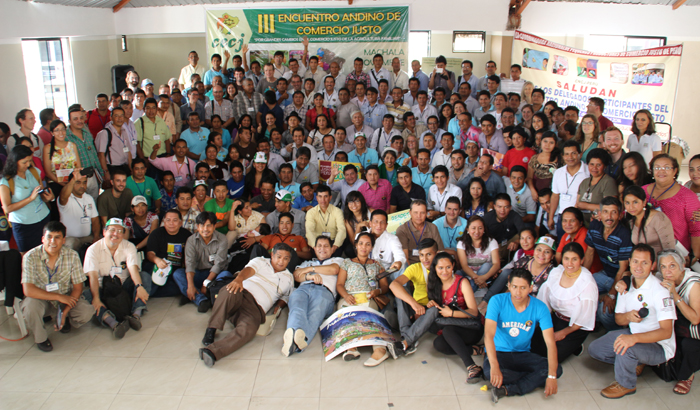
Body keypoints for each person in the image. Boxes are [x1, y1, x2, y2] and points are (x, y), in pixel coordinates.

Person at [589, 244, 676, 399]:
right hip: (634, 334)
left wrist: (633, 339)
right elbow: (618, 319)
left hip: (659, 345)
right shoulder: (625, 286)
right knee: (596, 349)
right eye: (635, 261)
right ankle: (634, 362)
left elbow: (666, 332)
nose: (639, 267)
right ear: (629, 262)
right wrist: (628, 316)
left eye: (644, 262)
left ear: (652, 265)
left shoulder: (660, 291)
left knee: (626, 348)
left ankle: (626, 384)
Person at [199, 243, 294, 367]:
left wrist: (279, 306)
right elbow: (249, 270)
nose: (281, 261)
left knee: (249, 329)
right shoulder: (261, 261)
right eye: (279, 257)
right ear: (272, 255)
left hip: (256, 309)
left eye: (285, 258)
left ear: (289, 260)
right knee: (229, 290)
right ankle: (211, 329)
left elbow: (286, 296)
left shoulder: (289, 278)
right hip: (242, 292)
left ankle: (212, 352)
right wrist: (239, 279)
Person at [483, 268, 562, 403]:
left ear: (530, 288)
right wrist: (495, 366)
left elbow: (550, 343)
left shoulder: (540, 307)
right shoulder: (496, 301)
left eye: (523, 288)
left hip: (522, 354)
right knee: (490, 372)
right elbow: (488, 336)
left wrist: (552, 376)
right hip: (499, 352)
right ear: (508, 285)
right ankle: (533, 378)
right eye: (514, 287)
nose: (518, 292)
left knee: (557, 370)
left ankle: (509, 389)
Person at [20, 221, 93, 351]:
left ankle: (64, 318)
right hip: (42, 299)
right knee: (30, 308)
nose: (52, 241)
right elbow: (28, 290)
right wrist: (58, 297)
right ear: (43, 239)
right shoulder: (30, 257)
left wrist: (64, 312)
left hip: (65, 296)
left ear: (64, 240)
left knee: (86, 312)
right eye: (49, 237)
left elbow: (78, 287)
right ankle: (41, 338)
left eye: (57, 237)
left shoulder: (72, 255)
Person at [84, 218, 151, 338]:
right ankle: (113, 323)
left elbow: (133, 269)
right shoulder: (93, 250)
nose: (116, 234)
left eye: (120, 231)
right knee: (87, 295)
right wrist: (96, 298)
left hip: (124, 286)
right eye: (112, 230)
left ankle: (136, 316)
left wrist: (139, 286)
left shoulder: (129, 246)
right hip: (105, 290)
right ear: (104, 231)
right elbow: (93, 277)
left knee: (144, 277)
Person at [532, 242, 597, 363]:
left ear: (582, 260)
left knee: (551, 357)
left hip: (575, 326)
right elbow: (544, 299)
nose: (569, 263)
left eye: (574, 259)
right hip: (556, 317)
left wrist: (563, 333)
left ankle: (575, 344)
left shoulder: (587, 283)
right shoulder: (557, 272)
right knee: (533, 345)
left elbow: (584, 318)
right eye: (566, 258)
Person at [334, 231, 392, 364]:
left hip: (369, 296)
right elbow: (340, 284)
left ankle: (379, 350)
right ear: (356, 245)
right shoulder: (347, 263)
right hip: (349, 296)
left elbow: (385, 286)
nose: (363, 247)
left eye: (367, 244)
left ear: (372, 247)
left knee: (370, 316)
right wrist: (346, 295)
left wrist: (377, 292)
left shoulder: (377, 264)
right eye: (361, 243)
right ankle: (351, 348)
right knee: (346, 314)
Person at [427, 252, 483, 382]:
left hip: (470, 327)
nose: (444, 271)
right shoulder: (434, 284)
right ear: (435, 268)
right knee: (438, 344)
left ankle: (472, 367)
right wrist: (432, 305)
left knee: (448, 331)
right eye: (440, 268)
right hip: (452, 326)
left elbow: (474, 312)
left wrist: (451, 314)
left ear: (453, 266)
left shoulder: (462, 282)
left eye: (448, 267)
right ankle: (474, 350)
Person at [283, 235, 342, 357]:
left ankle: (295, 341)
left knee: (314, 314)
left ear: (332, 249)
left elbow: (334, 270)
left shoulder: (338, 260)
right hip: (303, 289)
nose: (322, 249)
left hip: (324, 292)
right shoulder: (306, 262)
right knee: (297, 309)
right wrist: (309, 276)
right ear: (314, 248)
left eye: (326, 246)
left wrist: (310, 269)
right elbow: (296, 275)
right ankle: (295, 341)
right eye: (319, 246)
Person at [584, 196, 634, 331]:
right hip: (605, 274)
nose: (609, 217)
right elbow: (589, 253)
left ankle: (614, 332)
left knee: (605, 311)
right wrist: (581, 278)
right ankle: (593, 324)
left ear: (620, 215)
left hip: (621, 278)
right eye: (606, 212)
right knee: (581, 291)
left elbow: (623, 269)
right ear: (600, 214)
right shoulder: (595, 226)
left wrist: (611, 295)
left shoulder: (623, 234)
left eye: (614, 212)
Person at [655, 249, 700, 395]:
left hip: (695, 330)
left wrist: (674, 294)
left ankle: (687, 376)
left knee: (688, 344)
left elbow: (695, 319)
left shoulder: (693, 283)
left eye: (672, 266)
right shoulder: (660, 278)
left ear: (682, 266)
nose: (667, 271)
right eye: (663, 266)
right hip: (681, 325)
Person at [644, 154, 700, 264]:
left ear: (675, 171)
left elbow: (696, 228)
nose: (661, 171)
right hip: (646, 252)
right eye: (657, 167)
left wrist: (695, 256)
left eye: (666, 167)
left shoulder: (688, 196)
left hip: (676, 254)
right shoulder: (642, 192)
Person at [389, 238, 440, 355]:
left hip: (432, 310)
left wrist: (425, 307)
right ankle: (407, 339)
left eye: (429, 254)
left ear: (436, 254)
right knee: (400, 293)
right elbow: (393, 285)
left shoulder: (441, 268)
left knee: (434, 309)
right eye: (421, 255)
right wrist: (415, 305)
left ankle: (406, 341)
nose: (425, 259)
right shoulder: (415, 267)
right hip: (416, 307)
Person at [0, 145, 53, 252]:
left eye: (30, 161)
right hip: (23, 224)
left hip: (43, 217)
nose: (28, 164)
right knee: (27, 255)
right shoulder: (6, 181)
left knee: (46, 252)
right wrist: (30, 199)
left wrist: (48, 197)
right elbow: (7, 208)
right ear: (14, 161)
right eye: (24, 162)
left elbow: (41, 194)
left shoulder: (34, 172)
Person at [549, 140, 589, 239]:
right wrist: (551, 217)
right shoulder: (558, 173)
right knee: (563, 244)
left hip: (581, 217)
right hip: (563, 217)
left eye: (573, 153)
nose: (570, 157)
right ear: (562, 156)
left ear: (580, 154)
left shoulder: (588, 172)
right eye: (566, 154)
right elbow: (555, 196)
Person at [623, 185, 675, 255]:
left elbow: (670, 250)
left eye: (635, 202)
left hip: (660, 260)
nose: (631, 207)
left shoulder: (658, 218)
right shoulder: (631, 221)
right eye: (627, 203)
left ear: (644, 202)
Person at [58, 170, 100, 251]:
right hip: (69, 238)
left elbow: (95, 220)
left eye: (84, 182)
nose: (82, 186)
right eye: (78, 182)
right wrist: (73, 179)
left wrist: (96, 237)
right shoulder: (66, 198)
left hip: (87, 237)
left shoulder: (89, 198)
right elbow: (63, 197)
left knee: (101, 243)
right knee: (72, 244)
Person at [576, 148, 618, 224]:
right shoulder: (584, 182)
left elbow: (610, 207)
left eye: (599, 165)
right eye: (592, 164)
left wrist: (586, 206)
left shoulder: (608, 182)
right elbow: (577, 205)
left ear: (605, 166)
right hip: (582, 224)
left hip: (599, 224)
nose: (594, 168)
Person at [396, 199, 445, 266]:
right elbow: (405, 258)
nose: (419, 216)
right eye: (415, 212)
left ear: (426, 213)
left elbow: (440, 251)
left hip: (430, 265)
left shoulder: (432, 227)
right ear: (410, 213)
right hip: (411, 265)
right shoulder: (402, 230)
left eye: (422, 213)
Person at [305, 185, 346, 257]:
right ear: (316, 198)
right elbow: (309, 231)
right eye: (320, 196)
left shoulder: (337, 211)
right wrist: (315, 247)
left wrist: (334, 247)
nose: (323, 200)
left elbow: (341, 230)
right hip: (317, 244)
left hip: (333, 242)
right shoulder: (311, 212)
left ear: (330, 197)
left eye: (326, 196)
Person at [483, 193, 525, 263]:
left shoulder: (515, 216)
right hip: (494, 245)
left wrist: (517, 242)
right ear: (494, 206)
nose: (502, 210)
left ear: (510, 207)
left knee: (522, 235)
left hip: (510, 242)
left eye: (506, 207)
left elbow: (524, 232)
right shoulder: (487, 218)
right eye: (499, 207)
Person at [95, 107, 132, 178]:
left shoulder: (124, 131)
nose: (119, 118)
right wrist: (106, 172)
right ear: (111, 118)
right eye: (116, 116)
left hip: (125, 167)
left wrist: (131, 168)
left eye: (121, 116)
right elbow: (101, 155)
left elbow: (128, 151)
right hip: (112, 168)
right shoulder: (105, 133)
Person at [527, 131, 561, 201]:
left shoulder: (560, 159)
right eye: (545, 141)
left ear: (555, 144)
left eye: (551, 143)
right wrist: (533, 191)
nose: (547, 145)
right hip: (538, 195)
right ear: (541, 142)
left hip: (555, 195)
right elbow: (529, 177)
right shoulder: (534, 158)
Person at [204, 180, 236, 247]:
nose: (221, 194)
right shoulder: (208, 204)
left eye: (223, 191)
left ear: (227, 191)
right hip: (213, 232)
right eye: (218, 191)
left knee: (233, 233)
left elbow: (226, 220)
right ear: (214, 192)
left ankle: (223, 250)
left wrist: (212, 226)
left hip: (227, 232)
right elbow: (209, 220)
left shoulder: (231, 203)